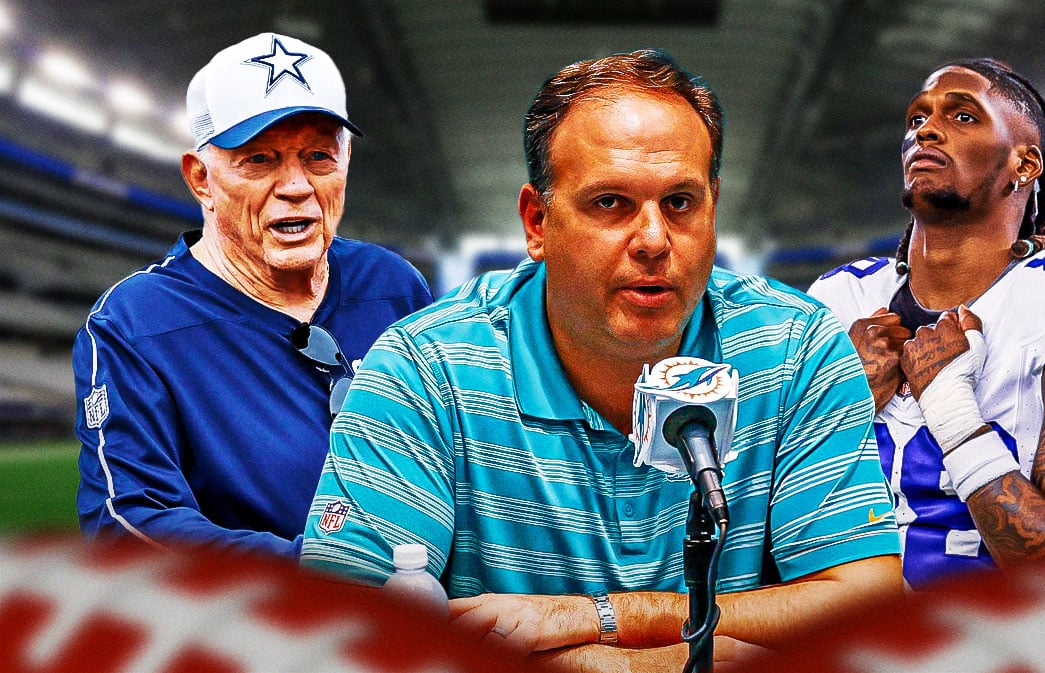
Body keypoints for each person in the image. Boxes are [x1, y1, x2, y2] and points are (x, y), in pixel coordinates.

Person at [301, 49, 901, 669]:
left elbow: (865, 610)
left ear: (714, 208)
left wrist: (603, 631)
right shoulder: (425, 369)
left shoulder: (795, 348)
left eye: (680, 203)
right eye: (610, 203)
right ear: (537, 221)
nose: (652, 241)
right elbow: (345, 638)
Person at [74, 33, 434, 557]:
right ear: (201, 179)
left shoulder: (392, 286)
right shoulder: (135, 324)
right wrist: (335, 576)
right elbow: (132, 522)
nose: (295, 185)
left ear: (347, 160)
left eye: (318, 156)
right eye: (259, 159)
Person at [807, 58, 1045, 590]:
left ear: (1025, 164)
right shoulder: (838, 299)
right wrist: (839, 407)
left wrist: (954, 416)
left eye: (963, 117)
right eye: (917, 119)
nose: (926, 130)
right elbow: (731, 523)